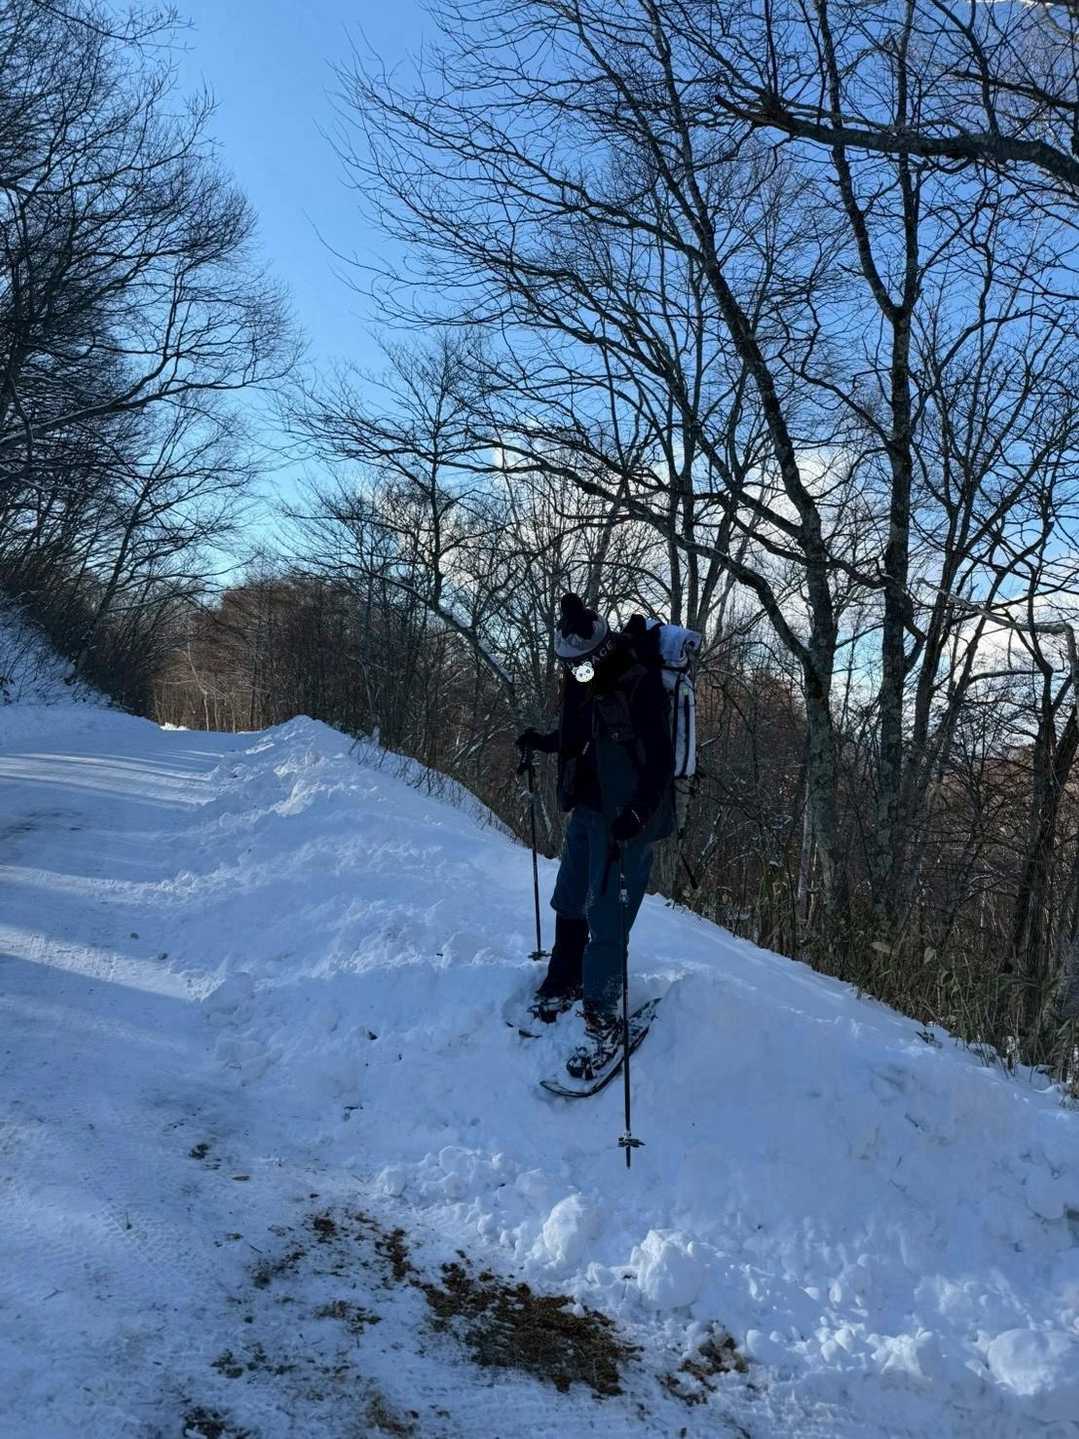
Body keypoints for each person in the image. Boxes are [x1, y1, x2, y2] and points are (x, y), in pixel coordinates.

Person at [516, 593, 675, 1079]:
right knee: (568, 898)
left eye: (579, 664)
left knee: (607, 918)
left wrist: (638, 814)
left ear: (600, 651)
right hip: (588, 808)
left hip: (625, 818)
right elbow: (579, 734)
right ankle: (564, 978)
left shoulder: (639, 684)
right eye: (568, 665)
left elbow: (661, 761)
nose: (573, 672)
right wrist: (541, 742)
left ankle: (603, 1016)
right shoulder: (581, 676)